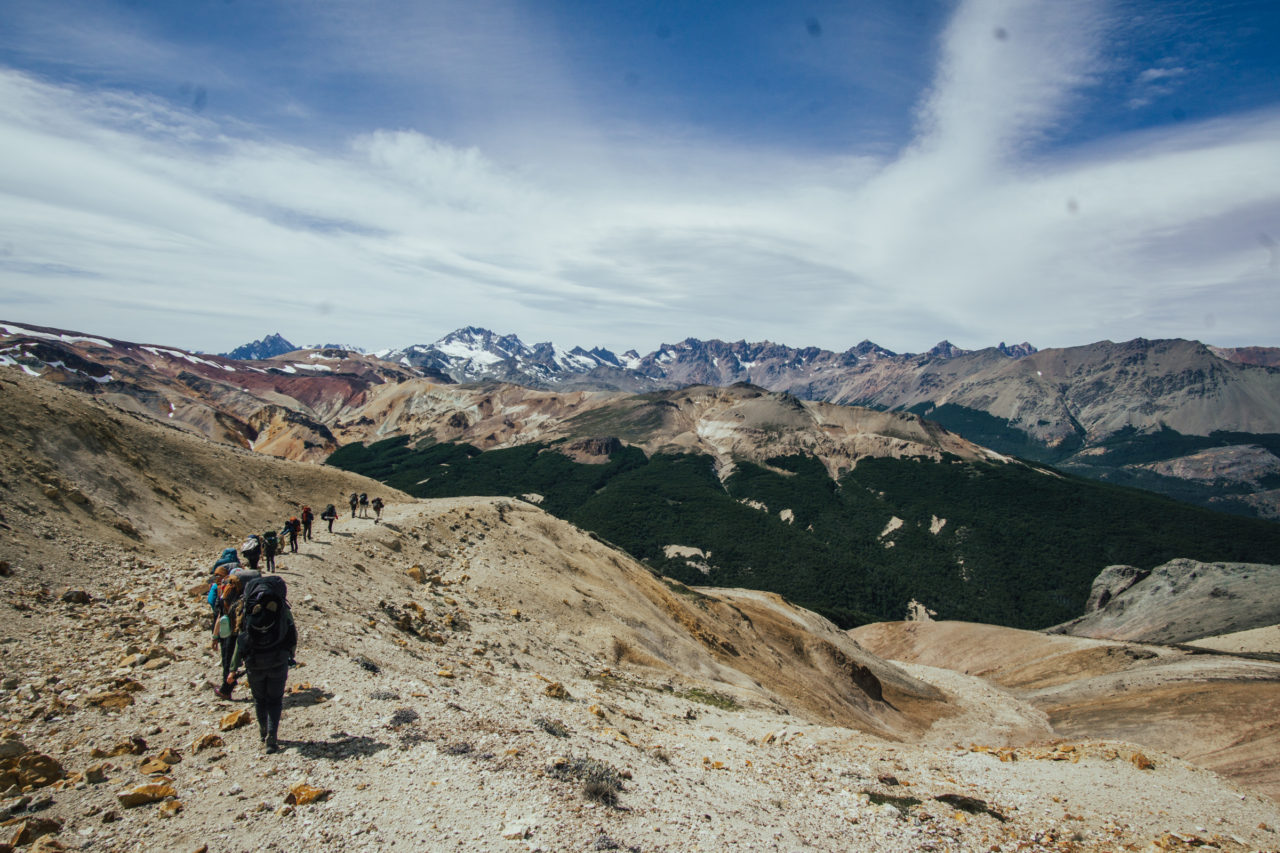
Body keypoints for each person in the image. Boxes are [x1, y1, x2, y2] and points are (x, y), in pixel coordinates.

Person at [226, 575, 296, 753]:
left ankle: (263, 731)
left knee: (260, 700)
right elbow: (292, 633)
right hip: (278, 660)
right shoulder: (281, 608)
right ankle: (272, 736)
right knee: (275, 700)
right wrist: (290, 655)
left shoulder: (247, 610)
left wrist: (233, 669)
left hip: (254, 662)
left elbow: (240, 640)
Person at [212, 574, 242, 696]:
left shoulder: (227, 594)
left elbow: (220, 616)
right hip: (244, 631)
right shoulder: (247, 595)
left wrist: (214, 637)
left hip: (229, 633)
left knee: (228, 660)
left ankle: (226, 689)